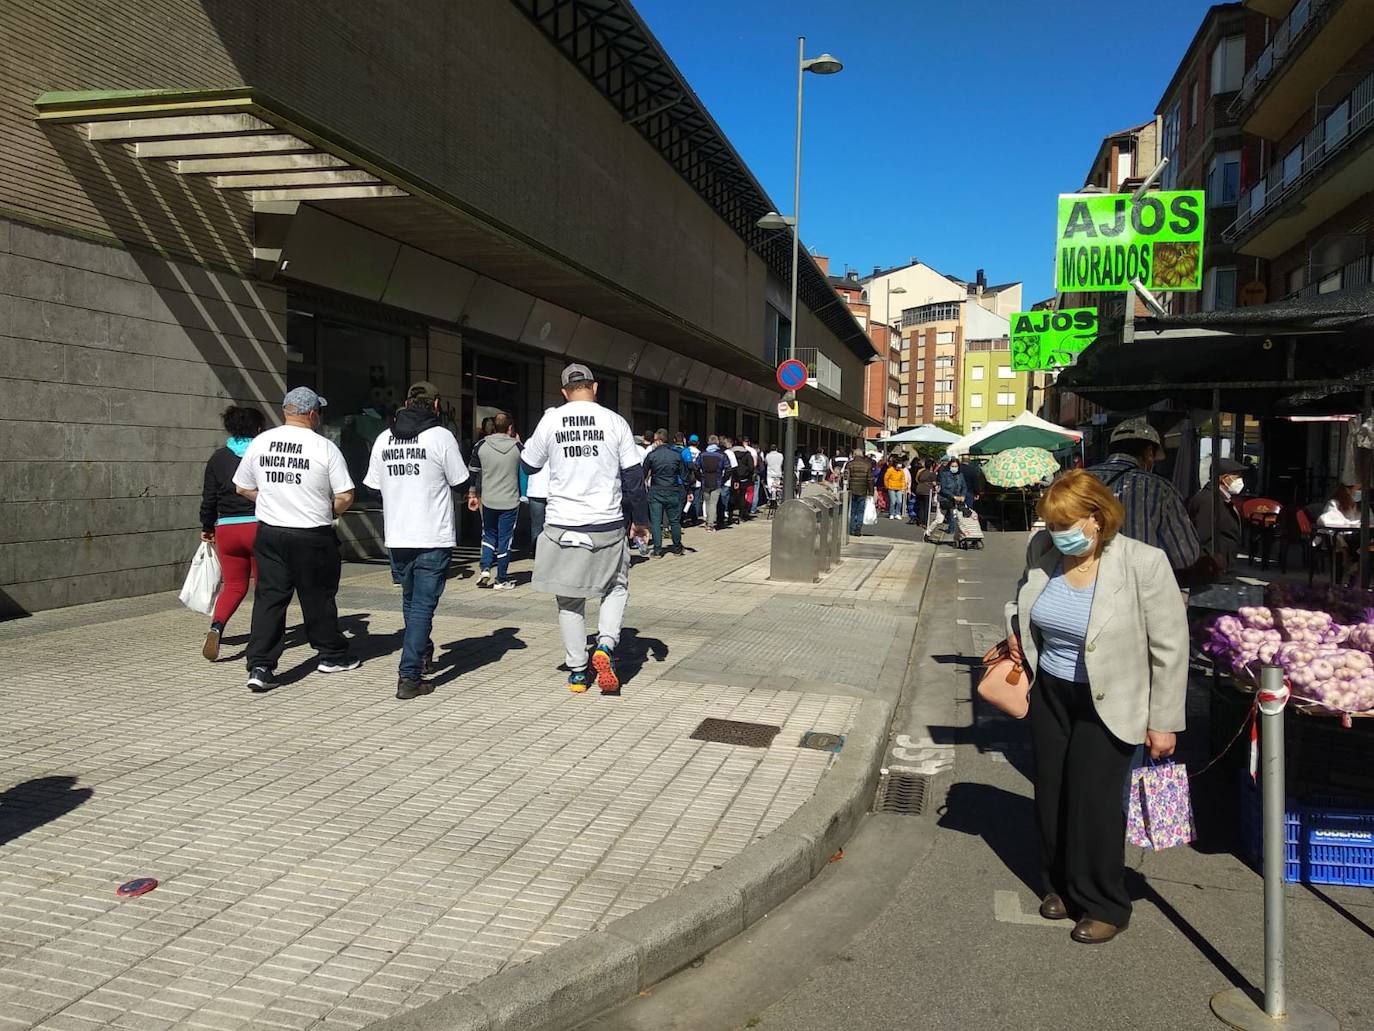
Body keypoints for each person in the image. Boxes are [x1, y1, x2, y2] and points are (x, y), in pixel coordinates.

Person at [1008, 470, 1187, 944]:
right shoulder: (1043, 553)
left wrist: (1164, 721)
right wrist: (1017, 634)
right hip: (1052, 692)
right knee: (1052, 794)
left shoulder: (1143, 563)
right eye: (1050, 524)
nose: (1057, 534)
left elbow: (1170, 647)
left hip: (1113, 698)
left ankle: (1106, 902)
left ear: (1097, 518)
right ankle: (1061, 887)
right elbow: (1023, 602)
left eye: (1065, 524)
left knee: (1095, 802)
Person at [522, 364, 649, 694]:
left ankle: (578, 671)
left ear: (565, 391)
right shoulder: (614, 421)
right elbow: (633, 479)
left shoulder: (551, 420)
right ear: (594, 387)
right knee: (616, 586)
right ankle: (605, 645)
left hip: (563, 523)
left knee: (569, 599)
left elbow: (528, 464)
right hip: (606, 522)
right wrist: (641, 521)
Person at [232, 387, 359, 693]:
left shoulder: (261, 442)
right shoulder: (324, 447)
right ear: (313, 414)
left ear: (285, 411)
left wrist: (270, 500)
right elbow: (345, 495)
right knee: (317, 596)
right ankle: (330, 654)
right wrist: (325, 510)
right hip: (312, 534)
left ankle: (260, 665)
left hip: (270, 531)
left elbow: (241, 487)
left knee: (270, 598)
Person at [363, 382, 469, 699]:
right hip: (432, 534)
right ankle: (409, 676)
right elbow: (461, 481)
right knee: (422, 607)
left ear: (407, 403)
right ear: (436, 405)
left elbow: (370, 487)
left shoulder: (384, 438)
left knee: (410, 602)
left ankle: (421, 652)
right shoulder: (441, 437)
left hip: (398, 535)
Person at [1086, 418, 1201, 581]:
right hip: (1136, 590)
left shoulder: (1078, 481)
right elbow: (1185, 556)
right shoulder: (1161, 489)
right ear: (1148, 452)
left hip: (1081, 584)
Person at [199, 404, 267, 661]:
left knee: (234, 585)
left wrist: (207, 528)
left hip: (227, 528)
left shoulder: (218, 457)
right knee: (264, 586)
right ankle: (262, 636)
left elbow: (209, 498)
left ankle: (216, 626)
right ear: (259, 429)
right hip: (259, 526)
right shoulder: (263, 454)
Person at [467, 412, 523, 591]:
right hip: (510, 500)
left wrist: (472, 494)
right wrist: (519, 442)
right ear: (510, 428)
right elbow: (530, 465)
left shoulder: (481, 445)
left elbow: (473, 472)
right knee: (505, 539)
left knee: (488, 534)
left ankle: (484, 568)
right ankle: (501, 578)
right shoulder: (517, 447)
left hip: (489, 499)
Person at [1187, 457, 1245, 578]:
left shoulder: (1220, 498)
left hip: (1221, 566)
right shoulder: (1209, 500)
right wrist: (1210, 566)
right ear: (1224, 478)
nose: (1240, 480)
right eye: (1237, 476)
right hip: (1212, 569)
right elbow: (1201, 537)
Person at [643, 428, 689, 556]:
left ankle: (657, 550)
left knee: (656, 522)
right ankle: (677, 548)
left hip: (656, 490)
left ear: (657, 440)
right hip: (672, 489)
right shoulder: (676, 455)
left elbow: (643, 473)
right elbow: (684, 476)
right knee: (674, 521)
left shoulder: (651, 455)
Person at [526, 408, 556, 546]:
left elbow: (524, 466)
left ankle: (536, 553)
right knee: (554, 526)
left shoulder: (531, 441)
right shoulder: (560, 441)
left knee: (536, 526)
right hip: (554, 491)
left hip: (535, 491)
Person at [697, 437, 730, 532]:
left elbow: (695, 467)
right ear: (717, 443)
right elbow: (728, 469)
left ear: (708, 442)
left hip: (705, 481)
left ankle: (708, 522)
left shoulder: (702, 455)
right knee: (713, 504)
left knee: (707, 503)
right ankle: (710, 525)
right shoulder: (722, 455)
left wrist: (700, 477)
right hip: (717, 481)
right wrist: (724, 480)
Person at [845, 448, 876, 536]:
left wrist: (843, 488)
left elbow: (845, 477)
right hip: (862, 490)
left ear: (854, 455)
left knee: (852, 510)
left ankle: (851, 529)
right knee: (860, 511)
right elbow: (870, 479)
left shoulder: (849, 464)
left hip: (851, 490)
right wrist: (871, 492)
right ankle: (858, 528)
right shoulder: (867, 465)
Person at [938, 458, 970, 537]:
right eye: (952, 466)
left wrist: (963, 495)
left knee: (955, 516)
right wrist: (953, 496)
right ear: (949, 466)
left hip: (957, 500)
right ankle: (928, 532)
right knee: (939, 519)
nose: (954, 468)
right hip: (946, 499)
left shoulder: (960, 475)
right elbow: (943, 489)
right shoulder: (944, 475)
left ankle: (953, 534)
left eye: (956, 466)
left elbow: (964, 487)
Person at [730, 437, 756, 523]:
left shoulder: (731, 453)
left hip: (733, 477)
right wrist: (748, 474)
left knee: (732, 496)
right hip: (744, 478)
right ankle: (741, 515)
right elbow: (751, 467)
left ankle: (730, 515)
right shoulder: (747, 454)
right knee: (742, 496)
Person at [682, 434, 703, 525]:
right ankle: (694, 518)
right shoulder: (699, 452)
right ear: (698, 443)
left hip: (686, 478)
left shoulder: (685, 451)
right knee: (696, 499)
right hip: (697, 479)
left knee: (685, 498)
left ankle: (684, 515)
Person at [913, 459, 939, 526]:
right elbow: (934, 483)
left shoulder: (921, 472)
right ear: (931, 465)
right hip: (927, 491)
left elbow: (917, 479)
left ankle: (920, 521)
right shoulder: (932, 473)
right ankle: (925, 522)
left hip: (919, 490)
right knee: (927, 507)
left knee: (921, 506)